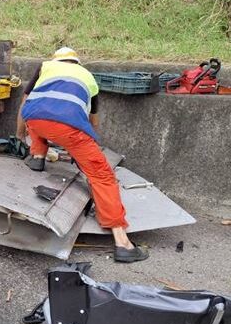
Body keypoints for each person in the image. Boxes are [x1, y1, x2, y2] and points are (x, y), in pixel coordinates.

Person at [15, 46, 148, 263]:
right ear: (77, 62)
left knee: (39, 113)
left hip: (35, 120)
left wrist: (20, 134)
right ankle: (122, 243)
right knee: (102, 176)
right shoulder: (88, 77)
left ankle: (37, 157)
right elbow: (92, 121)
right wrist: (87, 150)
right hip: (69, 129)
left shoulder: (45, 67)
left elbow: (25, 102)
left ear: (56, 59)